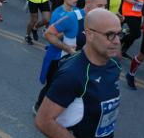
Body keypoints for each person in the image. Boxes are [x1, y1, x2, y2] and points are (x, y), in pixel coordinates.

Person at [35, 9, 122, 137]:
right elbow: (43, 121)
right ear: (90, 34)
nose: (117, 41)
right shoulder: (72, 74)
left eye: (119, 34)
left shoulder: (114, 63)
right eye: (110, 35)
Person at [34, 0, 82, 111]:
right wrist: (67, 29)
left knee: (63, 85)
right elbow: (50, 34)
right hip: (56, 55)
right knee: (51, 84)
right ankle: (38, 106)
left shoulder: (76, 11)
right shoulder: (58, 13)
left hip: (70, 55)